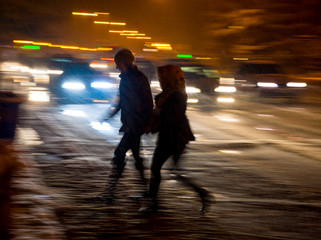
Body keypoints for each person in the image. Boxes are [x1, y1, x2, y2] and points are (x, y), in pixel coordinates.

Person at [146, 64, 214, 214]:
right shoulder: (169, 93)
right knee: (172, 171)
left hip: (173, 137)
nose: (160, 79)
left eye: (162, 77)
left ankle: (153, 204)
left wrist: (156, 119)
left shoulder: (176, 95)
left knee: (157, 168)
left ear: (167, 78)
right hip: (174, 136)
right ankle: (202, 193)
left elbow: (172, 118)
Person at [100, 49, 153, 203]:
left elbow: (148, 102)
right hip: (130, 123)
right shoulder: (127, 79)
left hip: (135, 124)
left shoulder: (138, 78)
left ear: (125, 63)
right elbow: (122, 102)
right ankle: (146, 192)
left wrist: (147, 122)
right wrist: (108, 116)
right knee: (136, 157)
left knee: (119, 154)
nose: (117, 67)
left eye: (118, 64)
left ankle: (109, 192)